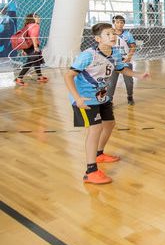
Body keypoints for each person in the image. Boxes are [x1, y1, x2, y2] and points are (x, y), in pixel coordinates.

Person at [64, 22, 151, 184]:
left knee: (109, 124)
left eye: (113, 33)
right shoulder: (88, 55)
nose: (113, 36)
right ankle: (90, 171)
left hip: (102, 97)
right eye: (108, 34)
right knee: (95, 129)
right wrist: (77, 98)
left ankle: (99, 154)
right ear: (98, 39)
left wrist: (139, 75)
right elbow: (68, 75)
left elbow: (121, 69)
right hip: (85, 98)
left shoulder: (115, 53)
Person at [106, 15, 137, 105]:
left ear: (124, 24)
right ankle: (109, 101)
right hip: (113, 62)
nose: (120, 24)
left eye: (121, 22)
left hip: (125, 61)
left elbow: (133, 47)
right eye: (117, 22)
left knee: (129, 82)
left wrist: (129, 56)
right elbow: (105, 47)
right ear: (114, 23)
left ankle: (130, 96)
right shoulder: (109, 34)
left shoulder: (128, 35)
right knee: (111, 83)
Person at [14, 13, 48, 86]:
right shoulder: (35, 25)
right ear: (34, 18)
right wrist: (36, 47)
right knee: (30, 62)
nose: (39, 19)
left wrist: (23, 49)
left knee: (36, 61)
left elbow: (23, 38)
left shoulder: (27, 26)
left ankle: (40, 77)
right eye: (38, 17)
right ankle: (19, 78)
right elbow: (33, 37)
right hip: (32, 46)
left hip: (27, 47)